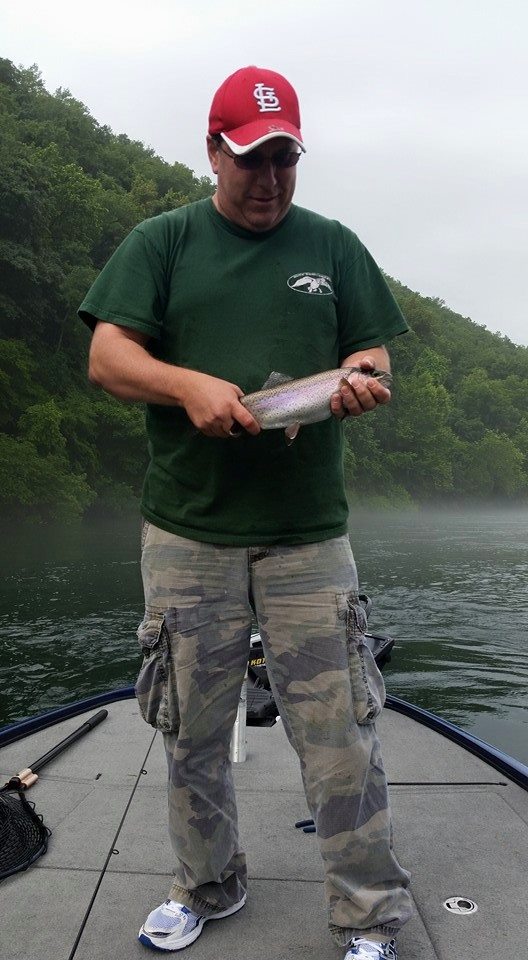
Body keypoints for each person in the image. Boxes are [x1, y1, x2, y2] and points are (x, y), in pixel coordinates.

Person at [79, 65, 413, 960]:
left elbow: (372, 350)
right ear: (214, 152)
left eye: (283, 160)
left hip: (308, 538)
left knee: (342, 734)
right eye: (250, 160)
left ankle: (368, 916)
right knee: (189, 730)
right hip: (188, 532)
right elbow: (109, 357)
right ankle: (207, 885)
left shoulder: (333, 244)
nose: (268, 179)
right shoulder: (162, 241)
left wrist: (363, 381)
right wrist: (185, 384)